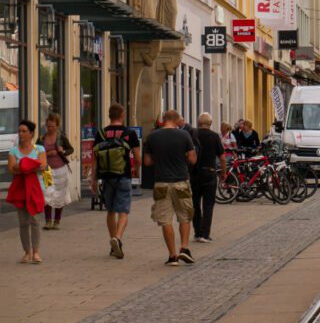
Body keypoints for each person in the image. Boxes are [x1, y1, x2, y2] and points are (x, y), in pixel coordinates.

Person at [144, 110, 197, 266]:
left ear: (164, 120)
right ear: (176, 120)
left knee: (165, 220)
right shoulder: (184, 135)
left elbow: (147, 162)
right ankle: (184, 248)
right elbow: (193, 159)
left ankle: (172, 256)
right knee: (185, 216)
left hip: (161, 183)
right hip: (181, 181)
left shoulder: (152, 136)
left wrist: (159, 160)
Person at [92, 103, 141, 259]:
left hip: (106, 177)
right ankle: (118, 238)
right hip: (123, 176)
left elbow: (94, 158)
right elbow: (138, 158)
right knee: (124, 211)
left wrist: (93, 179)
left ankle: (113, 246)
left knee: (110, 211)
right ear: (122, 115)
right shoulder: (129, 133)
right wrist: (137, 171)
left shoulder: (100, 133)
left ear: (109, 116)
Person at [6, 119, 46, 264]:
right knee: (23, 222)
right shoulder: (13, 150)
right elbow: (11, 169)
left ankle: (36, 252)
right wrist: (28, 166)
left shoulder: (39, 149)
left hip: (36, 188)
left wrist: (22, 166)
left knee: (34, 220)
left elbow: (43, 166)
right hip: (19, 190)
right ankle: (27, 252)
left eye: (24, 131)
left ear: (31, 133)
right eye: (19, 131)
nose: (21, 134)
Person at [191, 113, 226, 244]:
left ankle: (197, 232)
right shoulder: (214, 136)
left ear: (199, 122)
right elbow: (222, 157)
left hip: (195, 174)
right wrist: (224, 172)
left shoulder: (193, 135)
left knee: (195, 204)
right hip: (209, 173)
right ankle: (205, 234)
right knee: (208, 205)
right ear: (210, 123)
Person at [39, 113, 74, 229]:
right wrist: (48, 153)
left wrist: (62, 151)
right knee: (47, 194)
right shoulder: (41, 138)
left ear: (57, 126)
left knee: (60, 195)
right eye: (48, 126)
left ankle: (57, 221)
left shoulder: (61, 137)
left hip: (61, 170)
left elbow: (71, 149)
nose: (50, 128)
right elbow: (36, 152)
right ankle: (48, 221)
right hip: (47, 170)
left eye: (53, 126)